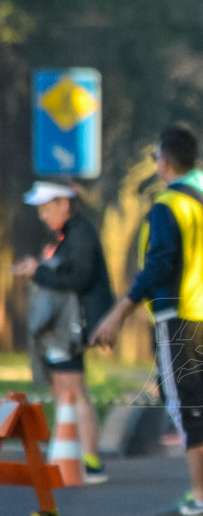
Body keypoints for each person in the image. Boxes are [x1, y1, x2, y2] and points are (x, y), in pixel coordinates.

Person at [91, 125, 203, 516]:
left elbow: (158, 266)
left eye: (155, 157)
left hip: (180, 315)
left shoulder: (169, 204)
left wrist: (119, 312)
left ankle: (201, 498)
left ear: (165, 162)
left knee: (186, 408)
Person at [16, 181, 114, 484]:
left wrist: (40, 272)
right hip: (65, 327)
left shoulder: (80, 232)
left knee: (72, 390)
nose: (43, 215)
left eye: (47, 208)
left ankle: (89, 461)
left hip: (74, 327)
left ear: (65, 204)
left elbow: (80, 277)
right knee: (62, 390)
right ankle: (68, 453)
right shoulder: (67, 234)